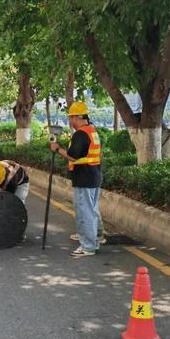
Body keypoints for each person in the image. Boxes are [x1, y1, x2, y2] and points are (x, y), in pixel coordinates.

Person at [49, 101, 103, 257]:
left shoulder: (81, 134)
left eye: (71, 118)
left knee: (84, 212)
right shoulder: (92, 130)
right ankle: (93, 240)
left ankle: (88, 246)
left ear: (77, 117)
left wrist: (57, 148)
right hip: (93, 176)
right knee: (91, 211)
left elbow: (73, 155)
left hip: (84, 177)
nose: (70, 122)